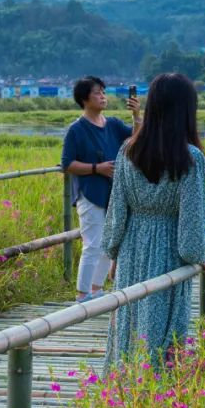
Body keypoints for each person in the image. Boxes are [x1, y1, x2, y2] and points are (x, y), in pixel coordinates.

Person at [102, 73, 205, 370]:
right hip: (168, 254)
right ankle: (156, 394)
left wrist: (114, 251)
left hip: (131, 250)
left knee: (129, 322)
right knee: (162, 326)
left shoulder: (128, 149)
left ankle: (123, 391)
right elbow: (192, 223)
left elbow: (116, 211)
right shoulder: (190, 158)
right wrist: (199, 256)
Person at [60, 76, 140, 302]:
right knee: (93, 244)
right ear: (84, 99)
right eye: (97, 92)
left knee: (111, 243)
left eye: (104, 92)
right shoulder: (76, 129)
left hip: (114, 194)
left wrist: (136, 116)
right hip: (90, 193)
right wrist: (97, 168)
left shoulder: (113, 124)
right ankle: (82, 294)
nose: (103, 96)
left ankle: (97, 289)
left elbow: (135, 139)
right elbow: (67, 164)